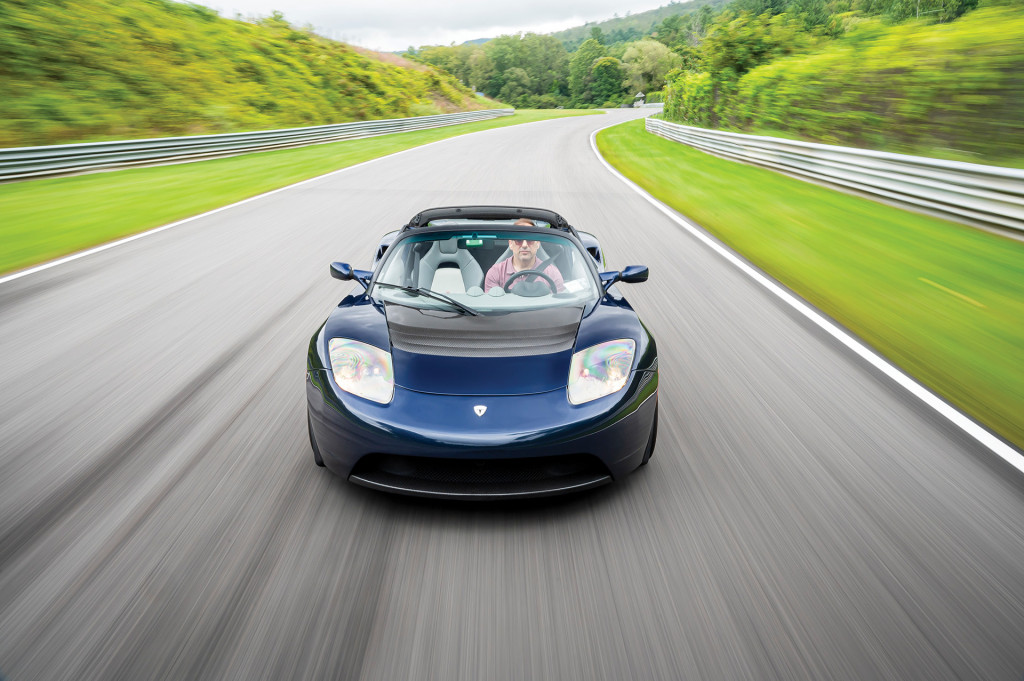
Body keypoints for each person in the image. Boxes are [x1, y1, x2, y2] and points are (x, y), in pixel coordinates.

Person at [484, 219, 565, 293]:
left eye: (530, 239)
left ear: (537, 244)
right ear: (510, 244)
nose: (524, 245)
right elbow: (493, 306)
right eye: (519, 240)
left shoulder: (552, 273)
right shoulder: (495, 272)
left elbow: (560, 306)